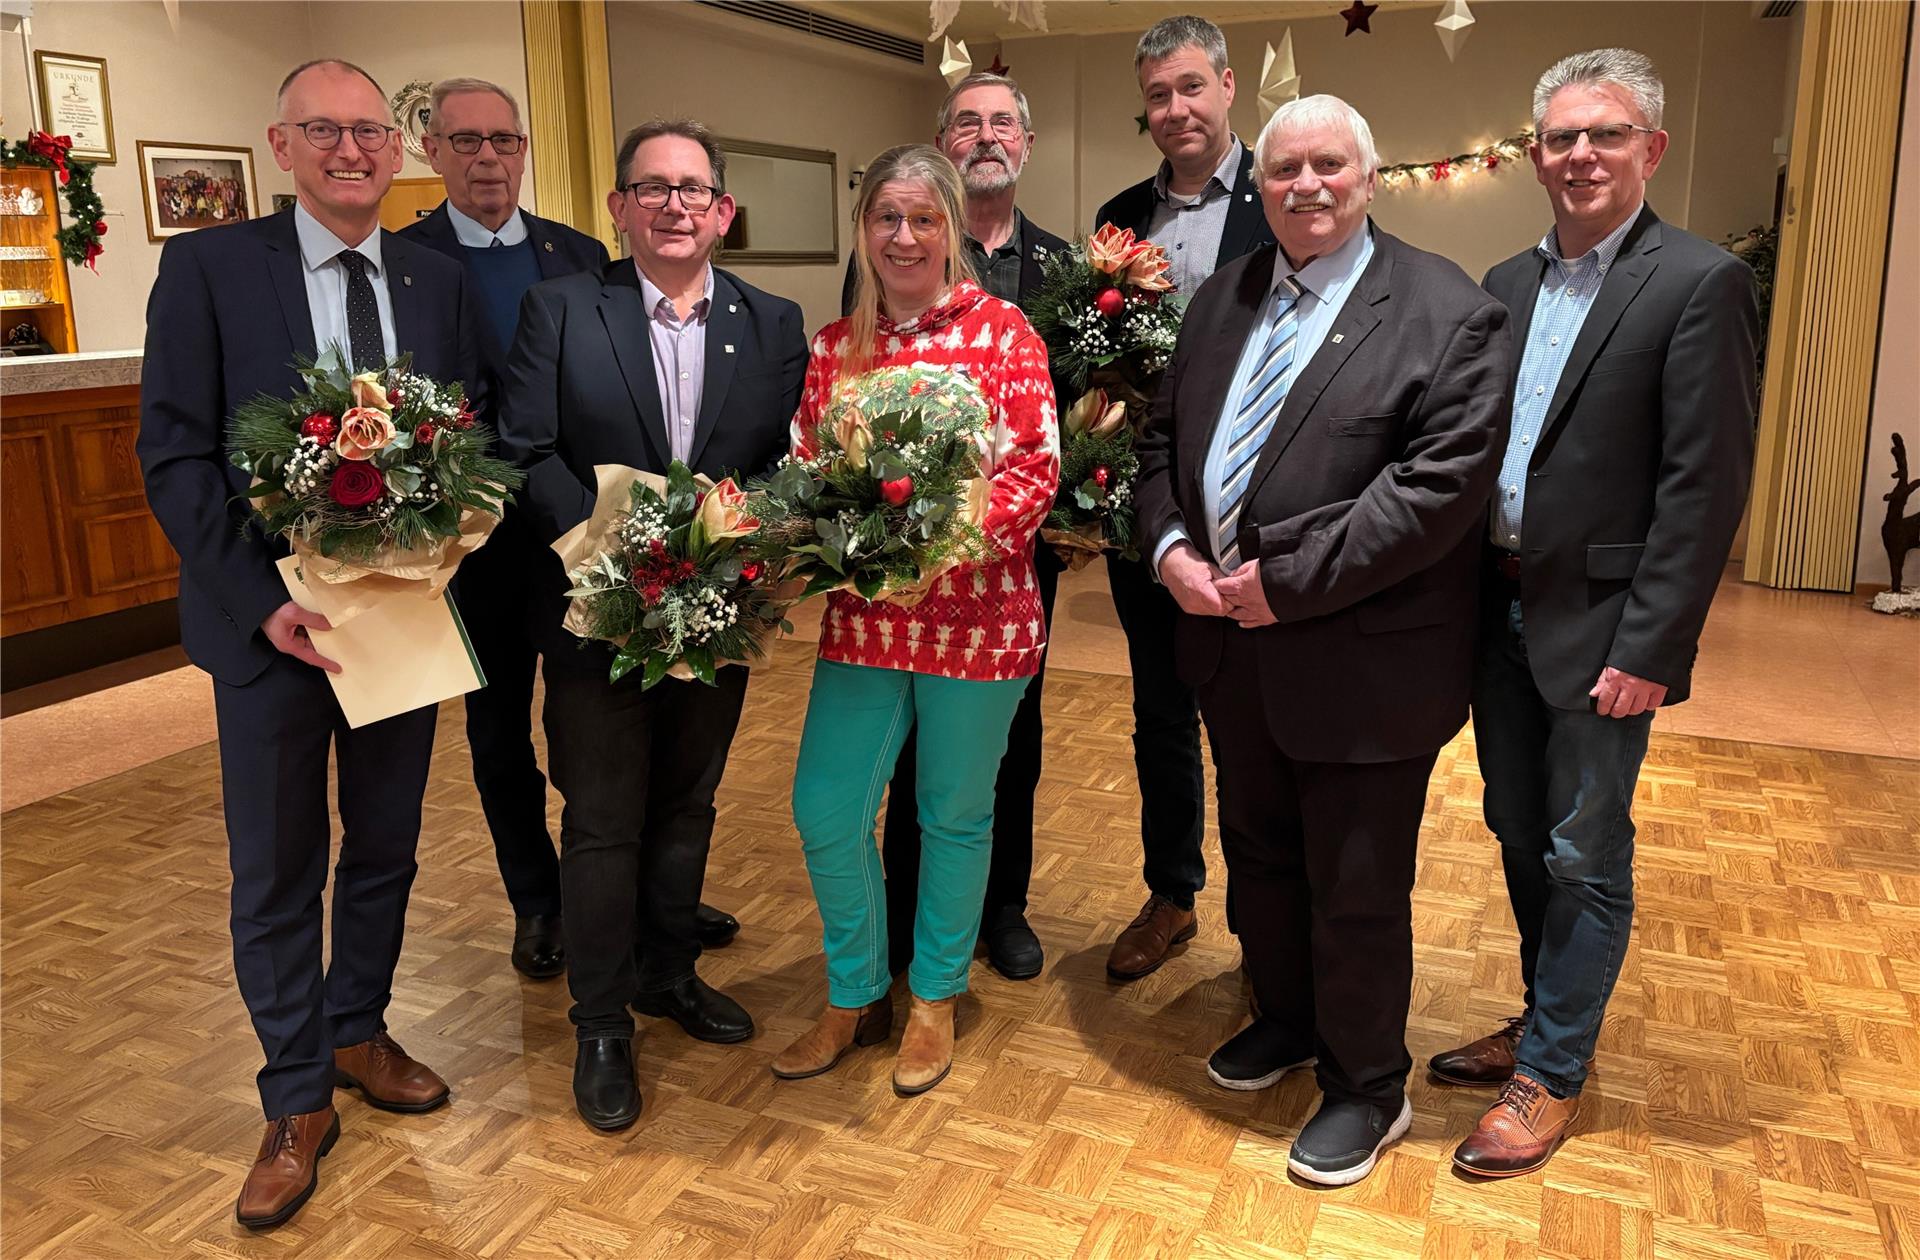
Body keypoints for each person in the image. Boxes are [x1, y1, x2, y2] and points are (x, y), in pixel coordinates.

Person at [137, 58, 488, 1230]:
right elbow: (176, 456)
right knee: (278, 870)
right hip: (272, 632)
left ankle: (357, 1030)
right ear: (280, 147)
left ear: (399, 152)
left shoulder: (437, 282)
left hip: (400, 624)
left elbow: (465, 441)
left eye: (369, 132)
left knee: (385, 848)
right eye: (323, 132)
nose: (351, 150)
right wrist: (257, 601)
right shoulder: (208, 269)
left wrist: (453, 541)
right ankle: (293, 1098)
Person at [1135, 94, 1509, 1186]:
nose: (1305, 185)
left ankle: (1366, 1085)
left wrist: (1279, 583)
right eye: (1285, 167)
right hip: (1226, 648)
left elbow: (1434, 494)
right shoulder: (1222, 300)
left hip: (1362, 662)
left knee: (1354, 886)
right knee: (1258, 860)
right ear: (1261, 185)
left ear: (1371, 177)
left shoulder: (1450, 311)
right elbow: (1162, 445)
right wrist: (1167, 552)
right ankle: (1288, 1020)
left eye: (1328, 165)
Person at [1435, 48, 1756, 1179]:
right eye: (1561, 137)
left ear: (1650, 149)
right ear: (1535, 155)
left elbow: (1703, 488)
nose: (1579, 155)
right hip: (1499, 612)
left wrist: (1655, 647)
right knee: (1519, 830)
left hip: (1608, 627)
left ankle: (1555, 1069)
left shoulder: (1699, 282)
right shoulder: (1506, 284)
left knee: (1585, 848)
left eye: (1604, 134)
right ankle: (1542, 1017)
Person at [495, 118, 807, 1132]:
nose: (674, 205)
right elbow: (525, 449)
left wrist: (737, 545)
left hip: (718, 612)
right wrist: (611, 553)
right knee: (601, 818)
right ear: (621, 208)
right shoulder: (561, 309)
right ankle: (599, 1021)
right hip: (596, 611)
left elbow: (781, 469)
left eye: (693, 190)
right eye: (652, 188)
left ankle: (668, 972)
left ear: (722, 210)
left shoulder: (773, 323)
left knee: (688, 802)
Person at [401, 78, 742, 981]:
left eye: (505, 141)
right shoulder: (408, 261)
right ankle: (540, 900)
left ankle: (632, 893)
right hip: (480, 546)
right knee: (501, 728)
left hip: (592, 539)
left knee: (606, 728)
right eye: (465, 141)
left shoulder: (579, 252)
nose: (487, 159)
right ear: (431, 152)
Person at [773, 144, 1058, 1097]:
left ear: (953, 229)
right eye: (886, 219)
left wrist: (932, 548)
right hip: (864, 624)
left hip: (980, 623)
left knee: (953, 813)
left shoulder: (1003, 332)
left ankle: (934, 997)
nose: (904, 237)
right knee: (825, 806)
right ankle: (855, 993)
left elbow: (1031, 473)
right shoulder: (833, 347)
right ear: (865, 230)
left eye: (923, 219)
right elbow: (810, 472)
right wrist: (837, 550)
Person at [834, 72, 1068, 983]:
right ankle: (907, 911)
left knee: (1004, 745)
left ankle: (998, 909)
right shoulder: (879, 271)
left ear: (1025, 141)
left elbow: (1051, 427)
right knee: (907, 747)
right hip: (888, 577)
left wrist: (975, 526)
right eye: (965, 122)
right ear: (943, 141)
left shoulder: (1054, 270)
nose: (984, 135)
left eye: (1001, 121)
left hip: (1005, 563)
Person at [1092, 15, 1277, 982]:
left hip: (1256, 512)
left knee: (1251, 721)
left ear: (1228, 87)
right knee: (1159, 712)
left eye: (1191, 88)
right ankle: (1172, 894)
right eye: (1158, 95)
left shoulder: (1280, 196)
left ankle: (1265, 921)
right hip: (1145, 509)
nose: (1176, 110)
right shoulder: (1120, 215)